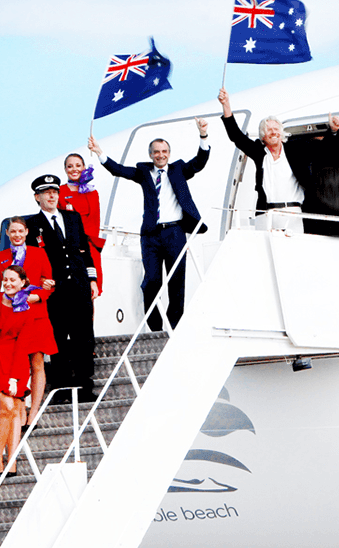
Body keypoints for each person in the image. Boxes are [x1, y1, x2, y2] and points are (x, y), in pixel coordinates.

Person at [87, 119, 209, 331]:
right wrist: (99, 152)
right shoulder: (144, 172)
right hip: (151, 235)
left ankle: (174, 326)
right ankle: (155, 327)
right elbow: (118, 170)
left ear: (169, 153)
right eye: (156, 152)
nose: (160, 155)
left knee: (176, 281)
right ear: (150, 154)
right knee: (152, 280)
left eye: (164, 151)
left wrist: (203, 135)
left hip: (175, 232)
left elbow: (199, 161)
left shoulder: (179, 169)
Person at [217, 89, 339, 234]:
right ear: (263, 136)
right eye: (269, 130)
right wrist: (226, 104)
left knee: (292, 253)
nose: (273, 132)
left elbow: (323, 151)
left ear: (281, 132)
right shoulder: (259, 152)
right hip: (265, 213)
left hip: (293, 212)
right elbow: (236, 137)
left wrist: (333, 131)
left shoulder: (296, 149)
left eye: (276, 129)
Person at [0, 265, 57, 473]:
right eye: (5, 280)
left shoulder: (26, 310)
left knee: (13, 412)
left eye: (13, 280)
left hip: (15, 361)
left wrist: (14, 377)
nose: (8, 284)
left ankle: (11, 460)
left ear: (23, 283)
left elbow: (22, 345)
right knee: (7, 408)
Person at [27, 174, 99, 400]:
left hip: (78, 287)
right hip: (54, 291)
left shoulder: (73, 218)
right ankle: (61, 388)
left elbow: (85, 251)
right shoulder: (32, 225)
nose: (51, 195)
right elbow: (31, 258)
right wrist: (39, 282)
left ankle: (85, 386)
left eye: (55, 191)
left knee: (84, 338)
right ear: (37, 197)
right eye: (46, 192)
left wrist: (92, 279)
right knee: (57, 339)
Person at [0, 218, 55, 425]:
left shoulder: (38, 253)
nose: (17, 235)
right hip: (11, 317)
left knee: (37, 362)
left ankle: (34, 410)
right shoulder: (0, 257)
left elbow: (49, 284)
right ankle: (21, 408)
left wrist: (38, 296)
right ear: (7, 233)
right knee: (16, 364)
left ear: (26, 232)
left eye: (20, 231)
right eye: (12, 232)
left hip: (35, 314)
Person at [59, 152, 105, 289]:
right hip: (68, 246)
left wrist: (83, 244)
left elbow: (94, 221)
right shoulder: (59, 192)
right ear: (65, 169)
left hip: (89, 245)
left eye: (78, 165)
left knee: (92, 287)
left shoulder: (92, 192)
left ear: (84, 167)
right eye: (70, 166)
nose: (74, 169)